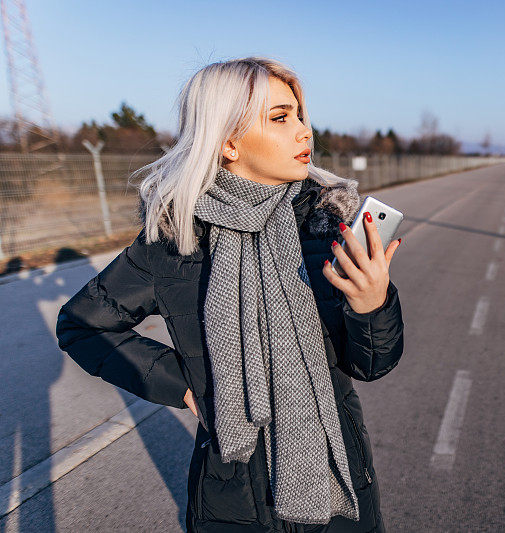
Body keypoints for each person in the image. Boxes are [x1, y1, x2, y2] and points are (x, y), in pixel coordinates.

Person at [55, 57, 404, 533]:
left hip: (340, 489)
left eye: (300, 115)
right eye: (281, 118)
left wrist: (372, 306)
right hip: (233, 505)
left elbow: (371, 364)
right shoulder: (174, 242)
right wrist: (181, 384)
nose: (305, 132)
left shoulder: (329, 229)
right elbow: (82, 324)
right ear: (227, 142)